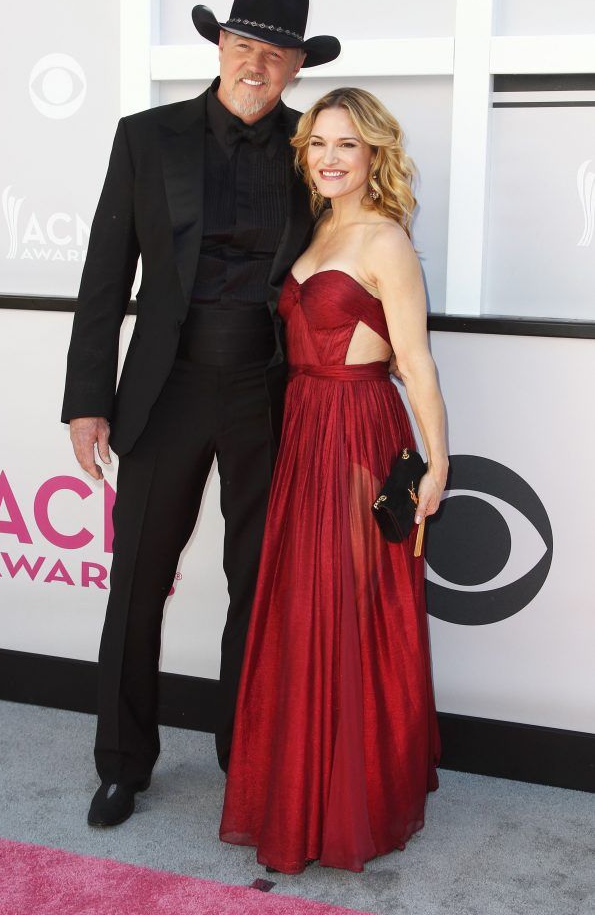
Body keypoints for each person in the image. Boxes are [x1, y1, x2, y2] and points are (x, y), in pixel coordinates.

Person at [61, 0, 340, 828]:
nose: (258, 64)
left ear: (296, 65)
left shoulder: (312, 150)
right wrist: (86, 399)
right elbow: (105, 275)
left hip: (271, 394)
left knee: (257, 591)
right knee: (137, 583)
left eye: (277, 52)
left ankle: (246, 760)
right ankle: (121, 763)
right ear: (219, 46)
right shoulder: (145, 137)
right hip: (163, 391)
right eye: (244, 44)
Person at [220, 88, 447, 874]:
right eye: (318, 143)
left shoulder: (385, 240)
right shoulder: (317, 227)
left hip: (356, 428)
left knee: (348, 608)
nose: (328, 157)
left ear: (375, 153)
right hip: (303, 428)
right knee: (302, 608)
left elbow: (413, 361)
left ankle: (350, 799)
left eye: (346, 145)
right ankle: (302, 789)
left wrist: (438, 460)